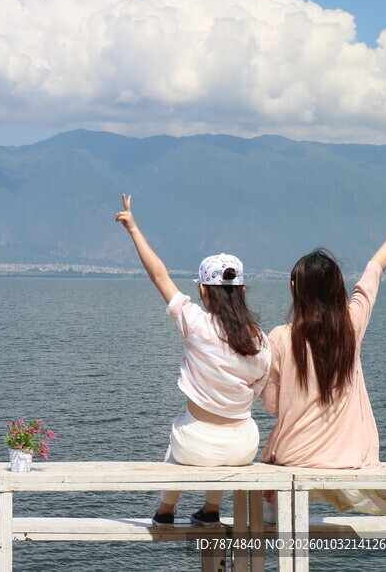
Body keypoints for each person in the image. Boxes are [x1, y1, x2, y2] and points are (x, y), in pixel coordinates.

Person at [115, 194, 271, 527]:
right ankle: (211, 509)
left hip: (194, 445)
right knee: (207, 438)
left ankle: (165, 511)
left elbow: (159, 275)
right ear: (243, 290)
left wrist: (133, 228)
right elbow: (259, 388)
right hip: (244, 446)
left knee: (181, 437)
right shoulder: (260, 339)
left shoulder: (196, 324)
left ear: (203, 291)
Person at [260, 196, 386, 516]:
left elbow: (273, 405)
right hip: (347, 456)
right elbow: (372, 274)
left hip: (294, 456)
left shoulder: (279, 337)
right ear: (336, 288)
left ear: (295, 287)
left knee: (265, 504)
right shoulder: (351, 326)